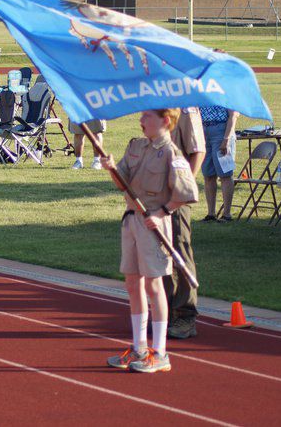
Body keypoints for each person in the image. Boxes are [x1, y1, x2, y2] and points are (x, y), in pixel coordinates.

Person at [101, 109, 198, 373]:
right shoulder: (136, 146)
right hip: (131, 220)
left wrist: (163, 212)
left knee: (155, 284)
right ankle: (138, 347)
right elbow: (123, 183)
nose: (141, 121)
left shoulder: (172, 153)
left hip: (154, 223)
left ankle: (161, 352)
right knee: (133, 283)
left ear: (165, 120)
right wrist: (111, 168)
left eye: (147, 117)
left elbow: (187, 193)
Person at [165, 107, 206, 339]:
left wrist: (183, 187)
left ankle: (186, 315)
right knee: (162, 254)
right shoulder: (157, 104)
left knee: (180, 252)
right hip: (157, 195)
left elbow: (198, 150)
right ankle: (168, 312)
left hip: (177, 195)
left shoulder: (186, 109)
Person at [200, 105, 238, 222]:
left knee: (225, 174)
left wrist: (226, 139)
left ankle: (227, 214)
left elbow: (234, 115)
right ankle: (211, 214)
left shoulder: (226, 90)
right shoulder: (203, 91)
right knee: (208, 175)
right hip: (203, 131)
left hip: (221, 130)